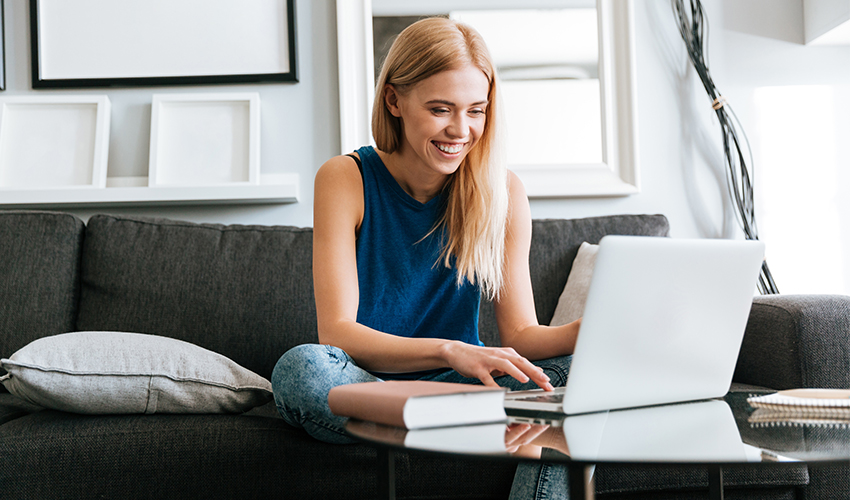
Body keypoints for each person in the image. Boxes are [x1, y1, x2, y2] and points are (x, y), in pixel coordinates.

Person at [272, 16, 582, 499]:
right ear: (394, 100)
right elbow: (338, 333)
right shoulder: (345, 178)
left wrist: (586, 333)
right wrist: (447, 348)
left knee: (575, 381)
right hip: (372, 384)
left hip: (464, 386)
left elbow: (521, 334)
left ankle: (455, 428)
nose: (461, 129)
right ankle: (480, 428)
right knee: (301, 370)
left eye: (476, 111)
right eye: (441, 109)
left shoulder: (502, 191)